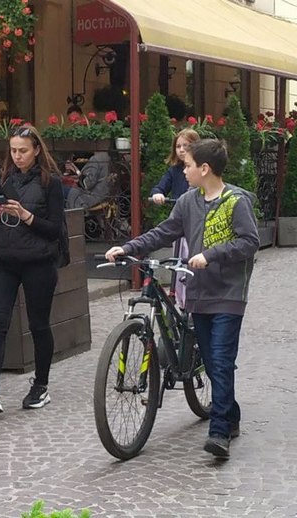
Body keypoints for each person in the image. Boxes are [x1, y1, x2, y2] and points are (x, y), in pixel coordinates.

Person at [105, 139, 259, 459]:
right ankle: (229, 414)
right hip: (199, 294)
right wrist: (129, 248)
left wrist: (210, 255)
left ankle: (218, 433)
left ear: (204, 169)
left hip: (228, 295)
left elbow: (249, 242)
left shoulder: (235, 202)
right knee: (212, 359)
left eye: (187, 165)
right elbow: (163, 232)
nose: (183, 169)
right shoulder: (188, 201)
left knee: (219, 360)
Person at [0, 125, 65, 415]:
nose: (17, 156)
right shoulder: (5, 179)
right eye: (13, 150)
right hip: (4, 260)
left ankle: (40, 386)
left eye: (23, 150)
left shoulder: (51, 182)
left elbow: (54, 230)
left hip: (38, 262)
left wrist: (26, 215)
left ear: (36, 150)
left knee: (38, 325)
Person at [151, 128, 200, 308]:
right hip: (179, 223)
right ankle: (180, 298)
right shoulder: (174, 171)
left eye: (186, 146)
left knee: (192, 261)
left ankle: (194, 297)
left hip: (195, 224)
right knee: (178, 262)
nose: (181, 150)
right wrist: (158, 195)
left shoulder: (199, 170)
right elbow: (159, 187)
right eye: (178, 146)